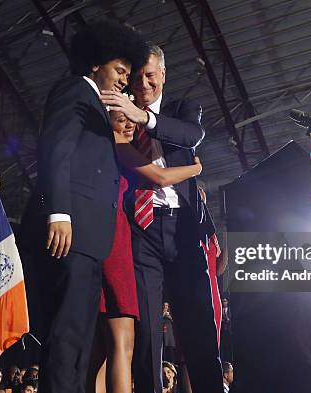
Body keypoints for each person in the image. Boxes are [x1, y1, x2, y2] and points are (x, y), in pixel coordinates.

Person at [20, 20, 149, 393]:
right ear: (95, 63)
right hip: (68, 235)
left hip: (91, 242)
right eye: (119, 71)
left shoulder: (96, 104)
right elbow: (55, 150)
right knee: (65, 336)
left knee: (78, 338)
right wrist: (58, 212)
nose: (125, 80)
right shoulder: (75, 89)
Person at [101, 44, 223, 393]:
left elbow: (191, 136)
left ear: (164, 75)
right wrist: (129, 117)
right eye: (137, 77)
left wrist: (147, 119)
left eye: (151, 75)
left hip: (184, 231)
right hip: (141, 229)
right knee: (148, 333)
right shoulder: (119, 117)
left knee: (198, 326)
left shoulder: (182, 109)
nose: (144, 83)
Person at [87, 107, 203, 393]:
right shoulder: (116, 143)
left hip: (109, 240)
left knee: (101, 347)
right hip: (114, 244)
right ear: (107, 120)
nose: (127, 125)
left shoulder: (103, 145)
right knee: (121, 343)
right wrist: (196, 169)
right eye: (120, 118)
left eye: (130, 120)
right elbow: (160, 177)